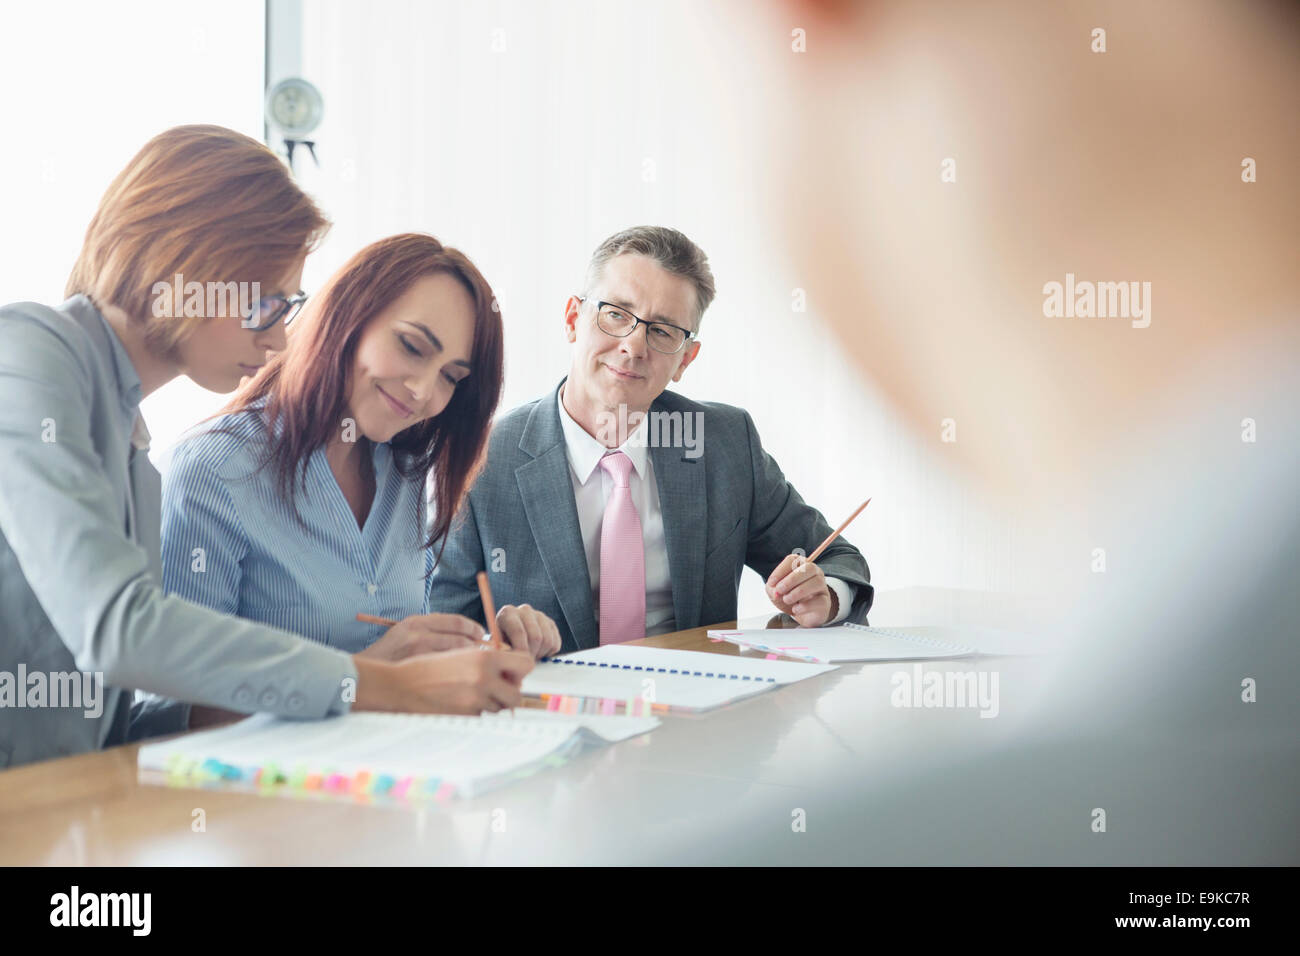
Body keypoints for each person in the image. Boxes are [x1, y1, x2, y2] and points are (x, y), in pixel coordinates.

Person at [0, 126, 532, 770]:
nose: (282, 339)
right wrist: (382, 683)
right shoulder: (28, 350)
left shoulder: (131, 447)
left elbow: (123, 722)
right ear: (188, 264)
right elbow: (120, 629)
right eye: (269, 304)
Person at [427, 225, 872, 652]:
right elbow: (439, 625)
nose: (634, 346)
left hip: (697, 715)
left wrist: (826, 595)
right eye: (616, 314)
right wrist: (492, 641)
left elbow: (838, 560)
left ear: (685, 359)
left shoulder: (724, 444)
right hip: (551, 714)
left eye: (661, 331)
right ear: (572, 320)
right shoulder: (482, 458)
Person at [160, 233, 562, 662]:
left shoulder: (403, 470)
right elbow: (172, 707)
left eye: (451, 377)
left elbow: (405, 645)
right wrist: (368, 673)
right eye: (411, 346)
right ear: (348, 316)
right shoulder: (213, 471)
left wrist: (485, 642)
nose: (423, 392)